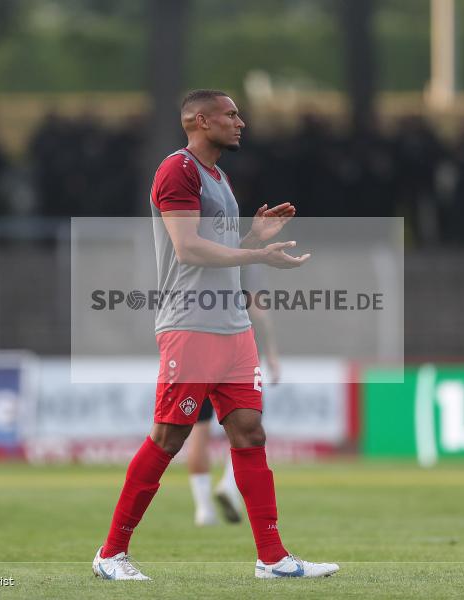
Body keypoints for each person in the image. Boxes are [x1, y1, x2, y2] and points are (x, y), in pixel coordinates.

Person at [92, 89, 338, 580]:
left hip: (232, 327)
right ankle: (110, 554)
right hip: (191, 324)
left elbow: (218, 249)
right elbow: (187, 249)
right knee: (168, 437)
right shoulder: (177, 170)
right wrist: (257, 257)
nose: (240, 122)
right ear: (200, 121)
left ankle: (272, 559)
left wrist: (251, 239)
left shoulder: (220, 178)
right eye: (230, 115)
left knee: (250, 432)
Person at [186, 264, 281, 527]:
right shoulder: (247, 256)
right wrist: (271, 352)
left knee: (198, 430)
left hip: (197, 344)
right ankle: (229, 484)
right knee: (246, 425)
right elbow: (258, 308)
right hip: (237, 346)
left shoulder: (197, 253)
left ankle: (203, 509)